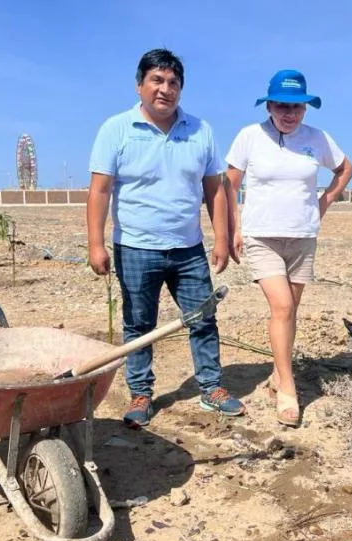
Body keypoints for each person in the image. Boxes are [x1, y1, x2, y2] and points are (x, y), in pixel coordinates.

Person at [86, 48, 245, 427]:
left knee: (203, 319)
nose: (165, 89)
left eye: (173, 82)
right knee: (139, 325)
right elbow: (100, 190)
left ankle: (211, 387)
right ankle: (140, 394)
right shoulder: (116, 130)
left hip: (188, 249)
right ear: (140, 85)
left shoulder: (200, 131)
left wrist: (220, 238)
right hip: (136, 248)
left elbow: (215, 189)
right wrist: (95, 243)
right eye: (157, 80)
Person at [224, 69, 352, 427]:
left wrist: (325, 201)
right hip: (261, 235)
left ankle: (276, 376)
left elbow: (345, 169)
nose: (289, 113)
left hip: (303, 236)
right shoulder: (250, 136)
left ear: (305, 109)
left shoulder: (318, 138)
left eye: (296, 106)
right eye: (281, 105)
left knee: (290, 311)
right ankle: (288, 390)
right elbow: (229, 183)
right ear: (269, 105)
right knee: (281, 307)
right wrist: (233, 226)